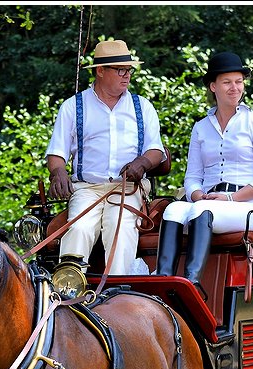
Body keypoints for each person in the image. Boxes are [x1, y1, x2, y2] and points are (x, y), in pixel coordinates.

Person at [156, 51, 253, 292]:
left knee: (202, 209)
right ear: (213, 86)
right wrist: (197, 194)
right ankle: (163, 281)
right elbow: (191, 178)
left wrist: (230, 198)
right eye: (227, 82)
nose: (235, 88)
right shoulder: (201, 127)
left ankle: (193, 284)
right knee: (173, 209)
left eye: (239, 81)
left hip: (248, 206)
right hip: (209, 201)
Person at [46, 39, 165, 276]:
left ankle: (118, 293)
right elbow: (57, 152)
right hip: (86, 189)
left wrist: (141, 163)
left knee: (120, 227)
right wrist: (57, 172)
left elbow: (156, 151)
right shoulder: (73, 106)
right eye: (120, 70)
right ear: (100, 71)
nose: (127, 75)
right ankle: (68, 292)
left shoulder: (142, 107)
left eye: (129, 70)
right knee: (78, 228)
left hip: (127, 187)